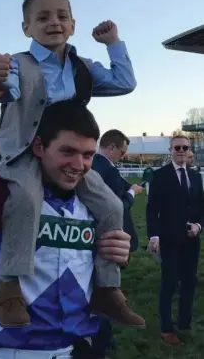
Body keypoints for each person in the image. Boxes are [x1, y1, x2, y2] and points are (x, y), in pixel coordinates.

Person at [0, 54, 132, 359]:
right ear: (39, 147)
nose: (79, 165)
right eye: (68, 151)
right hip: (18, 350)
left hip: (83, 346)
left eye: (87, 154)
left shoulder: (91, 199)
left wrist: (117, 251)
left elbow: (95, 254)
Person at [0, 0, 142, 328]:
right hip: (26, 153)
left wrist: (113, 42)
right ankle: (8, 288)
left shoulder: (81, 67)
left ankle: (108, 290)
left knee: (112, 206)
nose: (53, 22)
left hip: (68, 157)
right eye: (42, 17)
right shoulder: (17, 64)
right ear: (26, 27)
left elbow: (124, 82)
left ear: (73, 25)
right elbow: (6, 89)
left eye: (61, 16)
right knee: (25, 199)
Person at [146, 135, 204, 345]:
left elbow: (201, 208)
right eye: (177, 147)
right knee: (169, 283)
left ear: (190, 150)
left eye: (185, 147)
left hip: (192, 241)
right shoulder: (160, 176)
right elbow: (152, 210)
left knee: (189, 283)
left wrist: (199, 226)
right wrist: (153, 236)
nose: (181, 150)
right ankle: (166, 328)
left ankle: (185, 323)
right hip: (169, 240)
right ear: (170, 149)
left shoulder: (196, 177)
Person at [91, 129, 143, 358]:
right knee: (104, 290)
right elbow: (116, 205)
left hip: (105, 237)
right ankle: (101, 338)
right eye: (122, 152)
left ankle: (105, 334)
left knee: (105, 288)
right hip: (108, 237)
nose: (123, 156)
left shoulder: (103, 166)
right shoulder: (101, 168)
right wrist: (131, 193)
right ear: (111, 147)